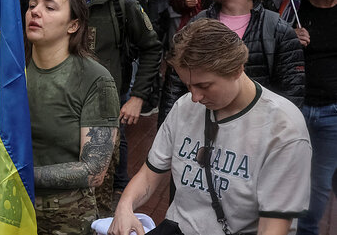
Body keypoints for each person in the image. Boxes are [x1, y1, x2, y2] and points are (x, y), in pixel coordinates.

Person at [109, 18, 312, 235]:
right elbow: (150, 174)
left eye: (203, 86)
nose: (195, 97)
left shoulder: (283, 128)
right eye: (188, 85)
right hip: (179, 226)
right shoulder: (184, 107)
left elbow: (273, 227)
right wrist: (124, 207)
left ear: (237, 69)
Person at [0, 0, 119, 235]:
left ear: (73, 25)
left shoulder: (96, 79)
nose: (35, 11)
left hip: (62, 219)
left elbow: (94, 171)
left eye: (50, 7)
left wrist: (8, 175)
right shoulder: (10, 71)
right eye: (32, 4)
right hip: (6, 211)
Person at [63, 0, 162, 202]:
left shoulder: (122, 3)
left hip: (103, 112)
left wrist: (138, 97)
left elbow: (152, 47)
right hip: (59, 109)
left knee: (99, 195)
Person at [161, 0, 305, 122]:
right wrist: (168, 128)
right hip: (203, 126)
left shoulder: (276, 29)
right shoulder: (197, 25)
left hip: (256, 130)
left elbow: (291, 95)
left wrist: (269, 134)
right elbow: (174, 87)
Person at [294, 0, 337, 235]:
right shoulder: (294, 10)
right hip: (295, 108)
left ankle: (306, 232)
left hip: (332, 113)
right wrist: (290, 36)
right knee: (288, 176)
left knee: (320, 182)